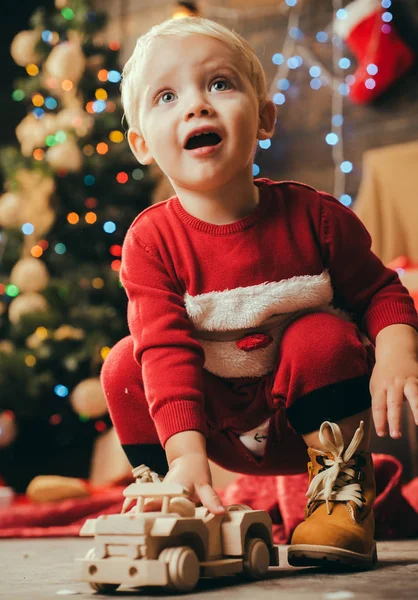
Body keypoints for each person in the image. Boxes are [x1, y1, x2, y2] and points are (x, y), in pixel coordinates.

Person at [101, 17, 418, 569]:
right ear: (142, 143)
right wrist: (186, 458)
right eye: (167, 95)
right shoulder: (150, 242)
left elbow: (380, 292)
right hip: (208, 433)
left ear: (265, 116)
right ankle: (162, 491)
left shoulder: (316, 218)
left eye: (219, 84)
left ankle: (340, 493)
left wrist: (396, 351)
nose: (196, 105)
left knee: (321, 333)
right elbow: (166, 351)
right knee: (127, 361)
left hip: (310, 424)